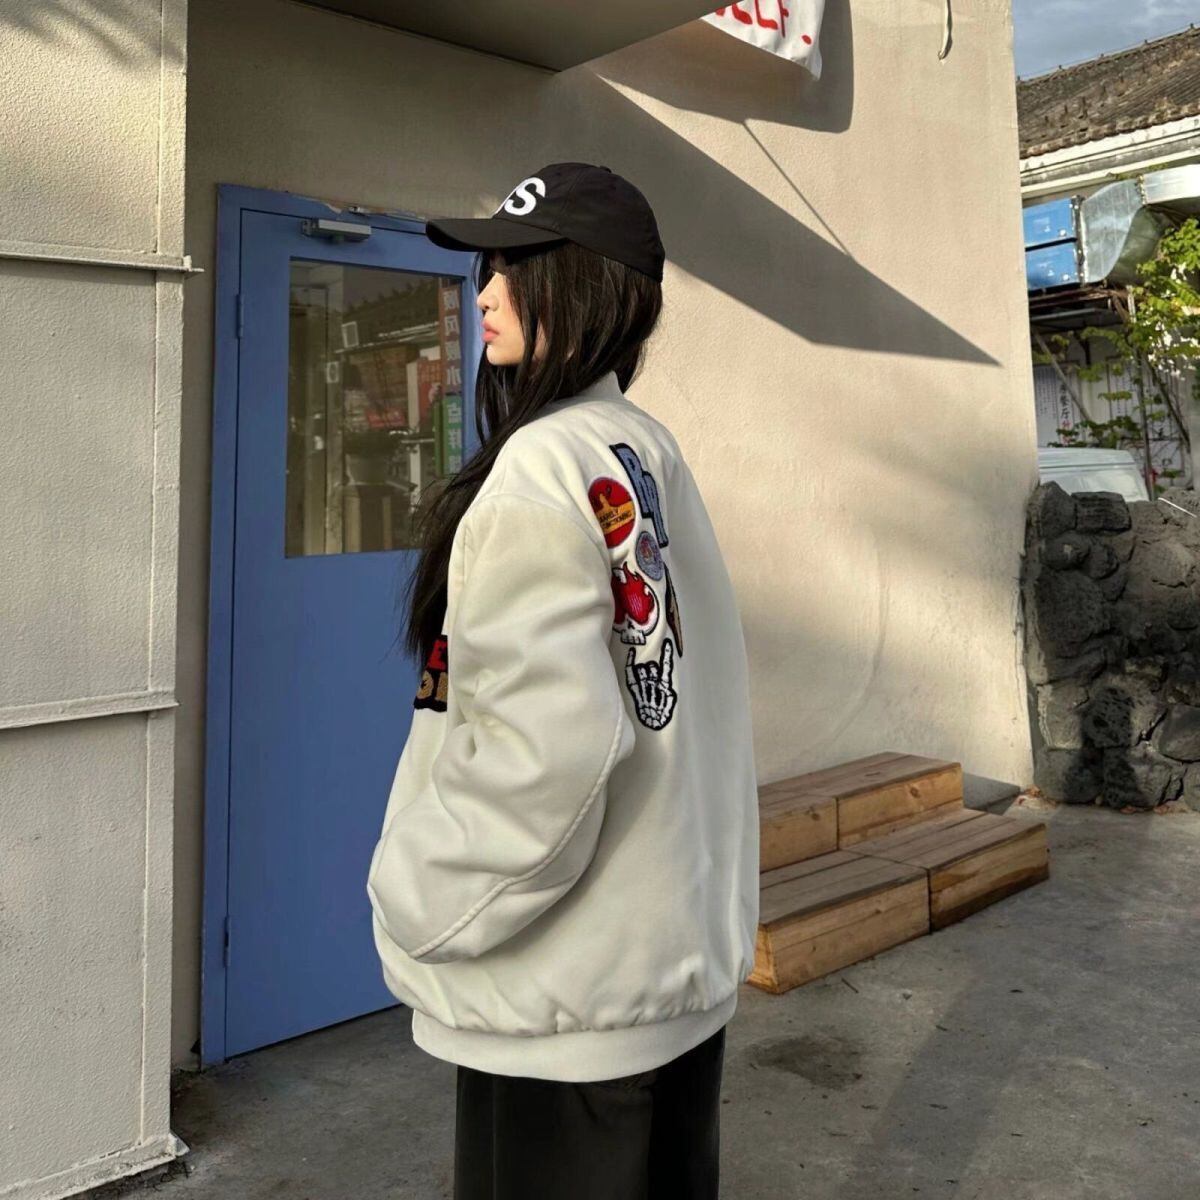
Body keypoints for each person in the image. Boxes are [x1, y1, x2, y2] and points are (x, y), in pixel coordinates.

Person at [365, 162, 760, 1200]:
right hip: (660, 982)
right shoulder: (641, 450)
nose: (485, 294)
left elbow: (550, 761)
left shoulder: (540, 469)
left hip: (562, 1005)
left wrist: (415, 897)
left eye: (515, 268)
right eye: (486, 269)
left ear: (583, 289)